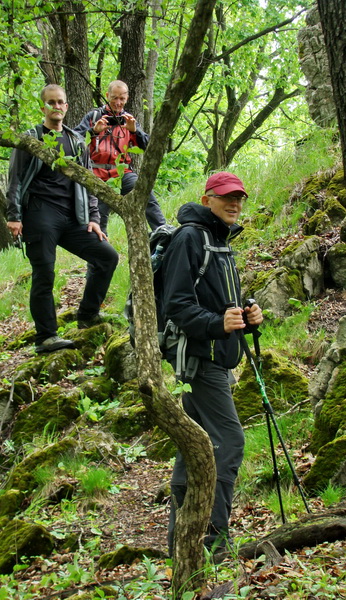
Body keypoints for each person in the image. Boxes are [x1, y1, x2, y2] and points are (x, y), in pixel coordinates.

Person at [162, 171, 263, 557]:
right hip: (200, 359)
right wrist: (217, 323)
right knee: (230, 441)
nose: (234, 203)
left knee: (195, 449)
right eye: (226, 197)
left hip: (216, 357)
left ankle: (181, 543)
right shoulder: (191, 237)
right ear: (208, 200)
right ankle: (214, 541)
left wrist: (247, 311)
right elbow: (177, 304)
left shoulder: (219, 241)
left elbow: (216, 298)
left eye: (239, 197)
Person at [6, 84, 119, 354]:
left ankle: (88, 315)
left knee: (106, 257)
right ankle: (46, 337)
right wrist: (14, 216)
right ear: (43, 107)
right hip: (39, 214)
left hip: (73, 217)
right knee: (44, 273)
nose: (56, 107)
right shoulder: (31, 139)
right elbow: (15, 179)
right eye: (51, 103)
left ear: (67, 107)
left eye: (61, 103)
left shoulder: (76, 141)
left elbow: (88, 181)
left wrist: (93, 217)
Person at [75, 80, 166, 233]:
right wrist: (93, 131)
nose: (118, 103)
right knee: (98, 215)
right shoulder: (94, 116)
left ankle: (163, 231)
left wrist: (134, 131)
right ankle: (102, 250)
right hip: (97, 174)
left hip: (122, 173)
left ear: (127, 98)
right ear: (107, 96)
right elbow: (74, 139)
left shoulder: (128, 119)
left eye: (121, 99)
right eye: (114, 98)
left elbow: (149, 147)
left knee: (145, 192)